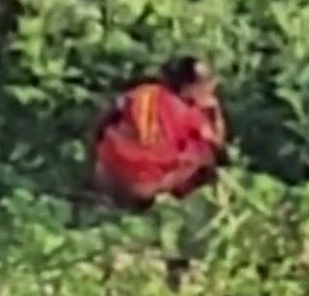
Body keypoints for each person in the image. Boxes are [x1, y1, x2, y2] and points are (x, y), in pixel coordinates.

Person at [91, 56, 229, 209]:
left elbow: (105, 120)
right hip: (144, 184)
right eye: (206, 84)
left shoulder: (141, 92)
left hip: (108, 171)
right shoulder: (190, 114)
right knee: (204, 153)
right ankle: (168, 201)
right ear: (189, 88)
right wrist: (215, 110)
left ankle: (105, 188)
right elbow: (219, 149)